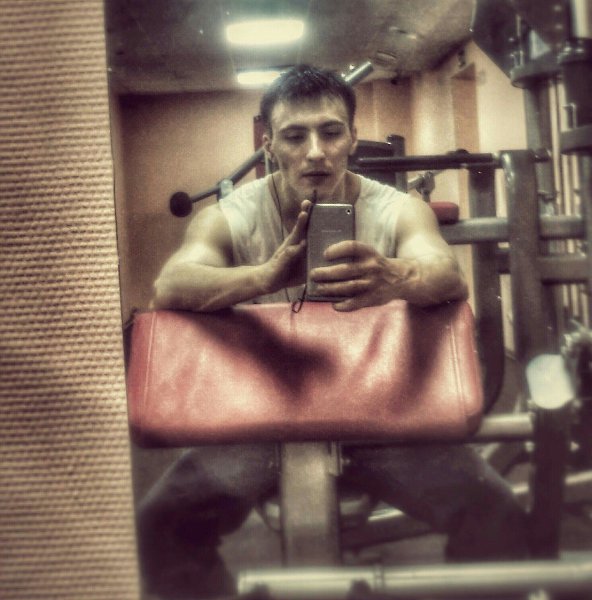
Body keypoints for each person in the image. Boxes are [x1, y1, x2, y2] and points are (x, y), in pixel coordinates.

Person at [137, 65, 528, 599]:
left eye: (330, 132)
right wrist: (263, 277)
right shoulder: (232, 216)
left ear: (352, 137)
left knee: (497, 516)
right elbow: (169, 287)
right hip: (263, 420)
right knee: (158, 527)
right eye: (295, 136)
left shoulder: (398, 209)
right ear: (269, 143)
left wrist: (394, 277)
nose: (316, 152)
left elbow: (446, 274)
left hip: (377, 418)